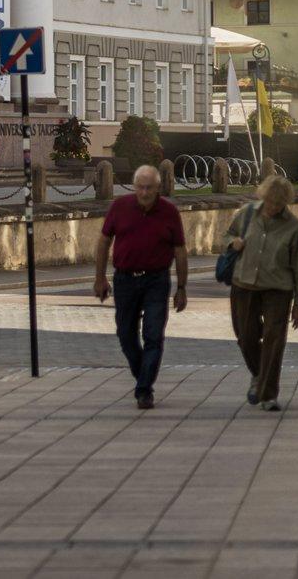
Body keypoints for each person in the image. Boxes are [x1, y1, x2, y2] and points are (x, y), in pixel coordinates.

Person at [92, 164, 188, 410]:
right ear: (134, 187)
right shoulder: (120, 207)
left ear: (158, 188)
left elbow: (179, 250)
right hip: (125, 279)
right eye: (140, 187)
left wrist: (182, 288)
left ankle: (144, 390)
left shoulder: (169, 212)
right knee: (125, 334)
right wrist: (100, 277)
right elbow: (104, 242)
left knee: (153, 335)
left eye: (149, 188)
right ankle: (142, 375)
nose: (144, 193)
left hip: (156, 280)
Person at [225, 175, 298, 411]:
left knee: (274, 340)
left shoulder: (293, 226)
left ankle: (268, 394)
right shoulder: (247, 214)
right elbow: (227, 235)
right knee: (245, 336)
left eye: (278, 204)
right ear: (263, 197)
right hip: (244, 285)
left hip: (278, 290)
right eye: (270, 202)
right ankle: (259, 374)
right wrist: (233, 243)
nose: (273, 208)